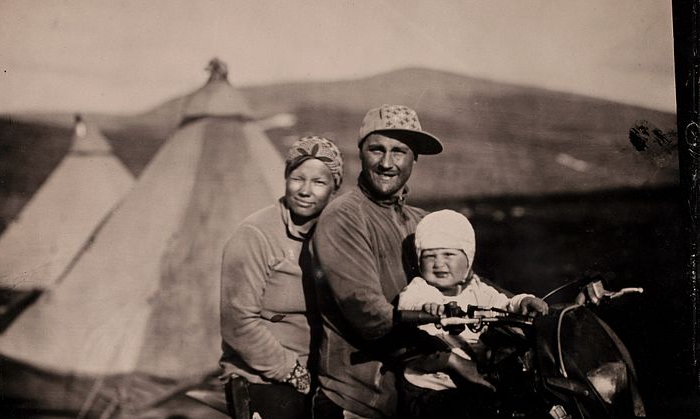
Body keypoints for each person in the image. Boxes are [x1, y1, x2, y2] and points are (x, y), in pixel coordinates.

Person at [311, 104, 444, 419]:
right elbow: (369, 315)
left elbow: (465, 280)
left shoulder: (421, 220)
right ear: (361, 152)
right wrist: (448, 359)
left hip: (413, 396)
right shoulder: (343, 217)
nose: (387, 163)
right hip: (357, 400)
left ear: (415, 158)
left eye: (399, 152)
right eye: (376, 149)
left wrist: (517, 303)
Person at [219, 135, 343, 419]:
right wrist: (293, 372)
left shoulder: (335, 236)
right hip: (264, 376)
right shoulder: (255, 235)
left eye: (319, 182)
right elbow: (238, 324)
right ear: (286, 178)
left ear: (334, 189)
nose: (305, 191)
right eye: (298, 178)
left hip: (320, 376)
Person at [396, 209, 549, 419]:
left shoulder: (477, 289)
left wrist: (522, 302)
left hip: (466, 380)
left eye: (448, 254)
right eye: (429, 255)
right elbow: (409, 302)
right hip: (428, 387)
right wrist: (427, 307)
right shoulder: (422, 289)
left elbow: (501, 303)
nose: (438, 263)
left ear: (467, 259)